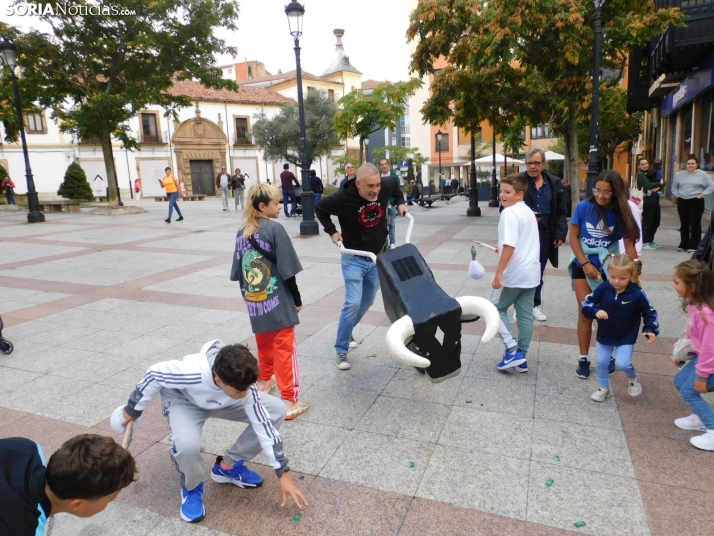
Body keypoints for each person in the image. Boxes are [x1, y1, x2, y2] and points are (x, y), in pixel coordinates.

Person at [121, 340, 307, 523]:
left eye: (248, 388)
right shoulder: (191, 372)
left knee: (276, 410)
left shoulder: (243, 386)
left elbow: (264, 427)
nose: (246, 393)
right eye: (241, 390)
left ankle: (227, 468)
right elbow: (154, 374)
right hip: (185, 400)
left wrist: (283, 473)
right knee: (187, 446)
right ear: (218, 379)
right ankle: (192, 488)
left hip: (225, 397)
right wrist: (133, 408)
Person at [315, 162, 407, 370]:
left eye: (377, 186)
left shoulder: (386, 183)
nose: (375, 190)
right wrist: (332, 231)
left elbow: (395, 186)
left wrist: (400, 202)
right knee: (353, 303)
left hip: (376, 258)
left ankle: (347, 332)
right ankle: (341, 348)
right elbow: (319, 207)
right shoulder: (343, 198)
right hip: (354, 258)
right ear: (358, 183)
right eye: (370, 187)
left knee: (366, 302)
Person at [230, 184, 309, 419]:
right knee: (284, 347)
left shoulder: (242, 232)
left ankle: (265, 380)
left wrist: (250, 300)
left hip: (256, 300)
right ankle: (290, 398)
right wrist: (296, 298)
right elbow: (288, 270)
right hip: (277, 300)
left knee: (263, 342)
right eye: (276, 203)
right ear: (262, 206)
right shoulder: (276, 229)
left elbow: (239, 273)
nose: (280, 206)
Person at [568, 170, 640, 379]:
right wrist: (584, 262)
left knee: (608, 314)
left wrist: (633, 277)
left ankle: (607, 355)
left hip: (611, 267)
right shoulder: (584, 207)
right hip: (583, 263)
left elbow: (630, 248)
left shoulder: (622, 212)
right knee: (586, 311)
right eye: (597, 190)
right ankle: (583, 357)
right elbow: (573, 237)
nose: (600, 195)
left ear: (616, 193)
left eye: (606, 192)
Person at [0, 434, 137, 535]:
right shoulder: (26, 528)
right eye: (111, 498)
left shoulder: (27, 447)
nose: (114, 500)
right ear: (77, 504)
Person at [581, 254, 659, 401]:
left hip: (626, 336)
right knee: (602, 362)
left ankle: (633, 377)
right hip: (605, 334)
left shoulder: (637, 293)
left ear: (631, 275)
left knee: (622, 363)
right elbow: (587, 303)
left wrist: (650, 328)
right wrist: (596, 311)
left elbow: (649, 311)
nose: (617, 281)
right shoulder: (603, 288)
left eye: (623, 278)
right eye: (613, 276)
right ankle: (603, 388)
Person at [492, 173, 541, 373]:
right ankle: (521, 357)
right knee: (525, 316)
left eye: (507, 192)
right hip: (531, 273)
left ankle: (513, 350)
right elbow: (518, 241)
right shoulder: (527, 211)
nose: (502, 196)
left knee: (495, 308)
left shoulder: (509, 213)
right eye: (501, 191)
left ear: (520, 194)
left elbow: (511, 245)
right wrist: (501, 248)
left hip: (515, 272)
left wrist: (499, 272)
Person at [519, 148, 568, 322]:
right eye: (529, 163)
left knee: (537, 272)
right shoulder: (519, 181)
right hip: (523, 236)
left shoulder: (555, 183)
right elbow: (506, 205)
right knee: (522, 271)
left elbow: (562, 212)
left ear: (544, 164)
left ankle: (534, 305)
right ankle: (520, 307)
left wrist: (561, 234)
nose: (532, 166)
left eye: (536, 163)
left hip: (545, 235)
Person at [672, 260, 714, 451]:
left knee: (689, 391)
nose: (674, 286)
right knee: (680, 381)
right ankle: (701, 417)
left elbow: (709, 349)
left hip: (709, 361)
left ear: (693, 287)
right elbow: (692, 334)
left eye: (676, 282)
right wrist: (682, 352)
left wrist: (702, 376)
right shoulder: (695, 305)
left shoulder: (707, 314)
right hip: (702, 357)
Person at [672, 155, 714, 253]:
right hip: (682, 200)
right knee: (684, 223)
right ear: (686, 165)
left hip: (696, 201)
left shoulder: (703, 175)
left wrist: (702, 195)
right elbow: (674, 186)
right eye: (688, 164)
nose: (690, 165)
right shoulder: (681, 175)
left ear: (697, 164)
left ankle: (694, 245)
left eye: (692, 164)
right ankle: (683, 244)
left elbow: (711, 186)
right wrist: (677, 195)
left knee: (695, 223)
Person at [636, 157, 664, 249]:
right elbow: (648, 185)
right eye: (642, 164)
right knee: (647, 221)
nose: (645, 165)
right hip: (647, 199)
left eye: (646, 163)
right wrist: (660, 184)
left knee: (656, 220)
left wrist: (660, 185)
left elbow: (664, 182)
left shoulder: (652, 172)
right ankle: (644, 241)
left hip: (654, 198)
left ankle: (650, 240)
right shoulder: (641, 175)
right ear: (639, 166)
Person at [379, 158, 400, 248]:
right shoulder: (378, 177)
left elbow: (397, 191)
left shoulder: (394, 177)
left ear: (388, 165)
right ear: (380, 166)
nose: (384, 166)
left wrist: (393, 203)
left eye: (385, 164)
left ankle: (392, 243)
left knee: (391, 223)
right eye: (382, 164)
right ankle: (383, 242)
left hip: (391, 204)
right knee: (381, 225)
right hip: (381, 205)